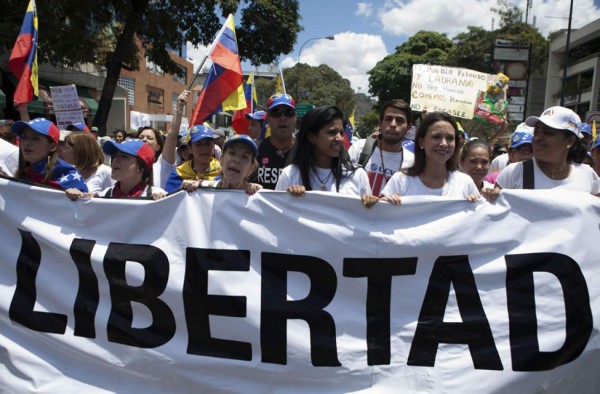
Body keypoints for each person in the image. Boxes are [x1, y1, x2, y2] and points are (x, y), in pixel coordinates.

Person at [275, 105, 376, 207]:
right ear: (312, 137)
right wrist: (290, 199)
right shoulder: (290, 175)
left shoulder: (358, 175)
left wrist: (371, 204)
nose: (339, 138)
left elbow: (369, 219)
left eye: (341, 133)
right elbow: (277, 217)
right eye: (332, 132)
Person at [486, 106, 600, 197]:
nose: (537, 138)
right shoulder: (514, 172)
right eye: (536, 132)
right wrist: (490, 197)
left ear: (570, 141)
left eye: (548, 133)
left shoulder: (587, 175)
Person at [380, 112, 480, 204]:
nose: (444, 144)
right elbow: (380, 219)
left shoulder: (465, 183)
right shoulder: (400, 181)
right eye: (436, 137)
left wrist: (489, 198)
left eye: (450, 138)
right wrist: (384, 204)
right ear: (421, 142)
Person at [348, 99, 415, 196]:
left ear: (409, 127)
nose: (393, 124)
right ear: (380, 123)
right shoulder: (360, 148)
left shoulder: (412, 162)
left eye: (399, 120)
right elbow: (342, 183)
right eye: (388, 119)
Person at [65, 139, 166, 200]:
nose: (116, 160)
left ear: (140, 167)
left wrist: (164, 201)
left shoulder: (156, 195)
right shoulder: (105, 194)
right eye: (115, 155)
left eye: (124, 157)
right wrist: (78, 198)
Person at [10, 118, 88, 191]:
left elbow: (87, 204)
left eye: (35, 138)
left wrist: (79, 196)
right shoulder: (25, 170)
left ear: (52, 147)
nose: (27, 143)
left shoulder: (66, 172)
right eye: (23, 137)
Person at [182, 134, 262, 195]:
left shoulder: (257, 196)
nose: (237, 160)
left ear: (251, 168)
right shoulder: (203, 190)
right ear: (221, 159)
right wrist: (194, 186)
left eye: (244, 156)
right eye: (232, 153)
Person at [255, 94, 297, 189]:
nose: (283, 118)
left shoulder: (307, 152)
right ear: (268, 118)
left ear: (295, 118)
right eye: (276, 113)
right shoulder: (254, 151)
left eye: (288, 113)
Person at [164, 124, 221, 193]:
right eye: (198, 144)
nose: (204, 148)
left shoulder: (223, 173)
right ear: (190, 148)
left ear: (213, 146)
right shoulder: (178, 174)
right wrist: (181, 189)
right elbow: (169, 200)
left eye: (208, 143)